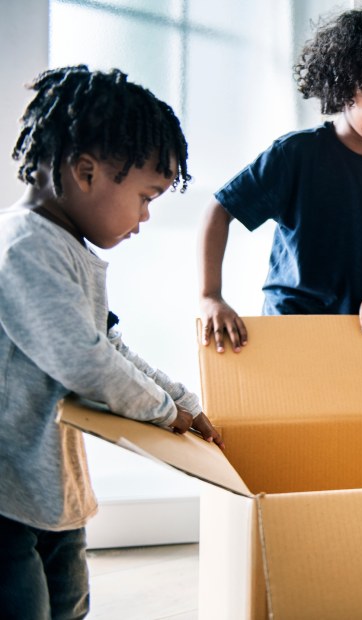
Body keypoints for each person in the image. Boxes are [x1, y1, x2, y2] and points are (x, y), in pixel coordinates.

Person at [0, 65, 224, 620]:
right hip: (7, 494)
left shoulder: (66, 248)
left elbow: (109, 344)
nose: (145, 219)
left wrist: (184, 403)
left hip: (50, 490)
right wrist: (162, 412)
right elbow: (85, 360)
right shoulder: (24, 247)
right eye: (146, 196)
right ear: (86, 171)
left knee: (70, 607)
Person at [199, 8, 362, 351]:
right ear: (343, 87)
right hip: (289, 331)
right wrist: (211, 296)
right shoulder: (296, 154)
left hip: (359, 338)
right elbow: (220, 209)